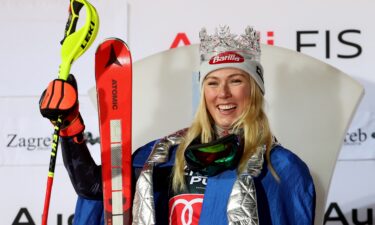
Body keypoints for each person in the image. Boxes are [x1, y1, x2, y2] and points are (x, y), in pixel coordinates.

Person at [39, 25, 316, 225]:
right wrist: (70, 125)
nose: (223, 94)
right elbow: (100, 191)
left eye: (236, 80)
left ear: (254, 90)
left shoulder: (281, 167)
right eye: (213, 82)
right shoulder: (163, 154)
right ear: (203, 91)